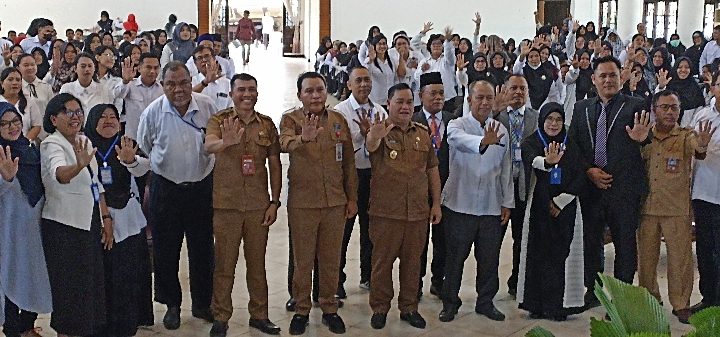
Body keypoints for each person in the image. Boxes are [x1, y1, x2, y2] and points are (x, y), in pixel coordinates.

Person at [137, 61, 218, 330]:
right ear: (163, 85)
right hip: (166, 189)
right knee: (165, 249)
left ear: (190, 81)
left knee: (203, 248)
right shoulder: (152, 113)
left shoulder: (207, 106)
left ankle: (203, 303)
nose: (179, 89)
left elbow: (216, 140)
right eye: (171, 84)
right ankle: (172, 304)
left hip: (201, 188)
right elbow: (146, 146)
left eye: (183, 82)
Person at [567, 55, 653, 309]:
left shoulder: (637, 105)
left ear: (621, 77)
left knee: (625, 244)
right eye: (602, 76)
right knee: (591, 244)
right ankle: (593, 293)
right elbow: (573, 146)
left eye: (612, 75)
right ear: (593, 80)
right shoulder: (581, 108)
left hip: (623, 189)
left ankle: (623, 296)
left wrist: (641, 140)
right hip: (592, 188)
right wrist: (589, 171)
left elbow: (649, 143)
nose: (608, 80)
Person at [204, 73, 282, 337]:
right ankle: (221, 316)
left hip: (258, 206)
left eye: (252, 90)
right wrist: (225, 142)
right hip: (227, 205)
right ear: (232, 93)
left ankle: (259, 315)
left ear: (257, 93)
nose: (247, 94)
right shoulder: (219, 120)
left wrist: (274, 201)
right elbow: (208, 146)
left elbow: (274, 164)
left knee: (257, 265)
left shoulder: (267, 125)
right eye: (241, 90)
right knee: (225, 265)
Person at [279, 72, 357, 335]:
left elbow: (348, 162)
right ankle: (301, 309)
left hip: (335, 202)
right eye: (309, 91)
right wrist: (305, 138)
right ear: (300, 94)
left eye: (319, 90)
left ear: (326, 92)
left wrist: (352, 197)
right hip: (303, 203)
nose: (315, 95)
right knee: (303, 260)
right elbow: (285, 143)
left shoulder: (337, 120)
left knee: (331, 258)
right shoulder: (291, 119)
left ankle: (329, 308)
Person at [359, 83, 441, 329]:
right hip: (386, 212)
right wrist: (373, 135)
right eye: (399, 102)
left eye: (409, 102)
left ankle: (409, 307)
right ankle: (380, 308)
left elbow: (432, 170)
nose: (405, 107)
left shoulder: (422, 133)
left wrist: (435, 203)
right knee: (382, 263)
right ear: (388, 104)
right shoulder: (380, 130)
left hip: (417, 212)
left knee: (413, 262)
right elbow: (370, 147)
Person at [438, 80, 512, 323]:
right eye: (479, 98)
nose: (484, 103)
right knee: (455, 258)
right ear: (469, 100)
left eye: (489, 98)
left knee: (489, 259)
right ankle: (450, 303)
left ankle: (486, 302)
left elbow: (505, 169)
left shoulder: (500, 129)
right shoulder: (456, 125)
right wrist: (481, 142)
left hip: (491, 206)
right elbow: (459, 142)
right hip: (460, 204)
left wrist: (507, 202)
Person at [637, 90, 714, 324]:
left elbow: (697, 148)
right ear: (654, 110)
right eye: (665, 107)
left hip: (677, 208)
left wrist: (701, 145)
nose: (670, 112)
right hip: (647, 208)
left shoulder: (685, 135)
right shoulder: (644, 136)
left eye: (674, 108)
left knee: (680, 260)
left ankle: (681, 304)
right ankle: (650, 300)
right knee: (646, 261)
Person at [40, 93, 113, 337]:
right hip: (64, 226)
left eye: (78, 111)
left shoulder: (84, 140)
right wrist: (79, 165)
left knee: (89, 287)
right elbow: (60, 174)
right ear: (54, 118)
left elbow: (97, 184)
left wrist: (106, 219)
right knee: (69, 289)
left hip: (88, 222)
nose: (76, 117)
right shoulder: (52, 143)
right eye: (68, 112)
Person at [84, 103, 154, 336]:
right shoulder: (84, 145)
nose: (108, 120)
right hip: (95, 216)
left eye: (112, 116)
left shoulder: (126, 144)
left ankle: (127, 320)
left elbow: (144, 168)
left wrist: (129, 160)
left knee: (127, 271)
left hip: (126, 217)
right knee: (103, 274)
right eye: (101, 116)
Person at [516, 102, 585, 321]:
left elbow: (581, 175)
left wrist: (561, 201)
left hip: (566, 208)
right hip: (539, 209)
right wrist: (547, 161)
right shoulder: (532, 141)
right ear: (542, 120)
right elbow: (531, 159)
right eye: (549, 119)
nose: (554, 124)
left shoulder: (571, 144)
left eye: (558, 119)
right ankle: (536, 304)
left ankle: (558, 306)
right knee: (538, 255)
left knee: (561, 257)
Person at [334, 66, 388, 297]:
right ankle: (336, 279)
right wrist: (361, 135)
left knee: (371, 230)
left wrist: (375, 135)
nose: (364, 84)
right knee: (342, 231)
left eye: (367, 80)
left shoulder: (380, 111)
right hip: (349, 176)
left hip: (373, 177)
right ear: (349, 84)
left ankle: (369, 276)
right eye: (359, 80)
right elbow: (337, 145)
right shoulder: (340, 111)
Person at [0, 102, 52, 337]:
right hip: (9, 227)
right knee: (10, 273)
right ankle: (12, 328)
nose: (11, 127)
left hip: (36, 224)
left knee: (35, 273)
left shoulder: (30, 149)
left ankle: (27, 325)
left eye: (15, 121)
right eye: (4, 123)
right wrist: (7, 179)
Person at [413, 72, 457, 299]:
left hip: (447, 190)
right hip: (419, 191)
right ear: (421, 96)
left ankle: (438, 281)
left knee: (444, 240)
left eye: (441, 93)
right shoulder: (412, 121)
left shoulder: (454, 121)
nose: (438, 98)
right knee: (418, 241)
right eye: (433, 93)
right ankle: (415, 283)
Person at [494, 74, 539, 297]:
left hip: (525, 186)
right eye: (514, 88)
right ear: (505, 90)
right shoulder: (496, 116)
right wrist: (493, 111)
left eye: (523, 88)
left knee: (522, 239)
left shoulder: (536, 117)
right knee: (492, 241)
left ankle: (518, 283)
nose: (518, 92)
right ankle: (489, 287)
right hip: (499, 189)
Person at [690, 70, 720, 314]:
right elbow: (692, 148)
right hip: (703, 192)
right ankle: (709, 297)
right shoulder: (703, 114)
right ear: (713, 87)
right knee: (705, 249)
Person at [118, 53, 162, 141]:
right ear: (139, 68)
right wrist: (125, 81)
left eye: (156, 68)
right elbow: (118, 94)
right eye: (148, 67)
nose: (152, 71)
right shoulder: (130, 84)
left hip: (155, 139)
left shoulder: (162, 89)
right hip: (133, 139)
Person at [414, 27, 457, 113]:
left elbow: (449, 55)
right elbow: (416, 78)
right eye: (434, 44)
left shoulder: (447, 60)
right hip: (429, 100)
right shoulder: (424, 61)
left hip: (447, 99)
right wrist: (421, 70)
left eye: (439, 44)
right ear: (429, 46)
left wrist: (448, 41)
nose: (436, 46)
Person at [58, 53, 114, 117]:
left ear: (94, 68)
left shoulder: (104, 90)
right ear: (75, 68)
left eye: (90, 66)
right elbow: (62, 114)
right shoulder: (67, 89)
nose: (87, 69)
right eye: (83, 66)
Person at [656, 57, 706, 127]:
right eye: (680, 67)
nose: (683, 70)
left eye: (687, 67)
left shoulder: (695, 88)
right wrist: (661, 87)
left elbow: (699, 112)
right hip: (666, 130)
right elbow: (657, 104)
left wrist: (688, 130)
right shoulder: (668, 85)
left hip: (687, 132)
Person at [513, 41, 562, 110]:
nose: (534, 59)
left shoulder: (548, 71)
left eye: (536, 56)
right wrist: (522, 55)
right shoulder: (524, 71)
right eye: (531, 57)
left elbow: (553, 92)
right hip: (527, 107)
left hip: (544, 107)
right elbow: (515, 71)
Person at [0, 68, 41, 141]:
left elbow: (37, 125)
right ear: (2, 83)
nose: (15, 82)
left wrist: (24, 142)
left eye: (18, 80)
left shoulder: (29, 101)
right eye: (10, 79)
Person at [365, 34, 406, 109]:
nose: (382, 46)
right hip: (376, 101)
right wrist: (371, 60)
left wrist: (401, 56)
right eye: (379, 44)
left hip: (390, 100)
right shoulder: (369, 61)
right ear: (375, 46)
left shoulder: (391, 60)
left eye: (384, 44)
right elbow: (366, 75)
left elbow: (399, 76)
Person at [563, 49, 595, 125]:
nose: (585, 61)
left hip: (590, 111)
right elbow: (569, 78)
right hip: (573, 112)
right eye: (582, 58)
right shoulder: (573, 72)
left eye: (587, 59)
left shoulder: (593, 74)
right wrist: (575, 68)